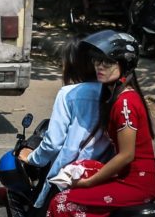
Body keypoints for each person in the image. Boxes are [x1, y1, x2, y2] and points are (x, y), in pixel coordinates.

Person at [48, 30, 155, 217]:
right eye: (97, 60)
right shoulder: (115, 97)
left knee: (61, 203)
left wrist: (88, 183)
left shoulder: (125, 103)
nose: (100, 66)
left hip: (136, 183)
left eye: (107, 62)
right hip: (126, 176)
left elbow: (126, 155)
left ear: (124, 65)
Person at [17, 36, 112, 211]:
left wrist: (31, 158)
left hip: (71, 175)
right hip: (107, 173)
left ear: (74, 65)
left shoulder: (69, 93)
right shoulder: (112, 92)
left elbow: (53, 143)